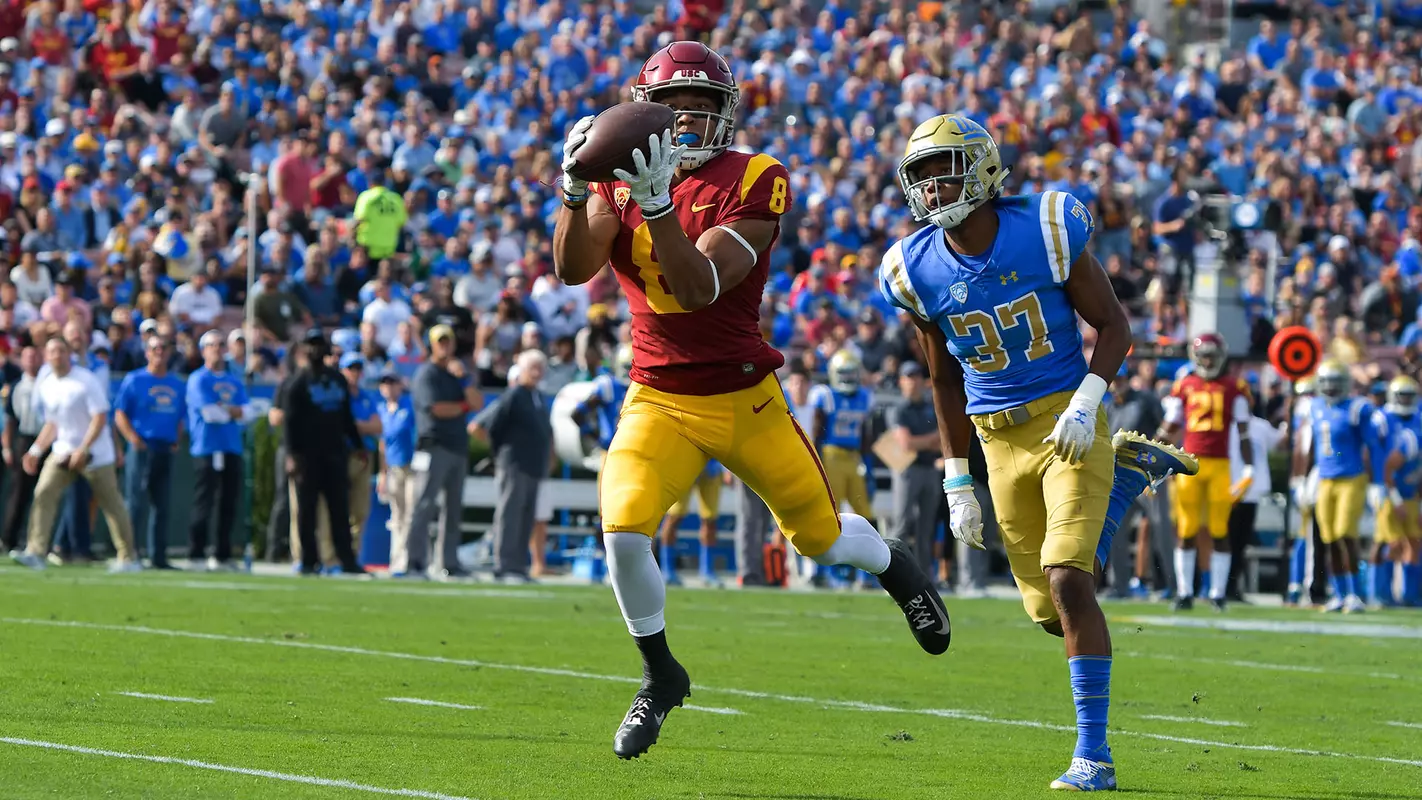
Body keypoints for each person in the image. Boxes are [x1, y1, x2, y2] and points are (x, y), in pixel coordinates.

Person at [554, 41, 951, 761]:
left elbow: (699, 284)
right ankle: (660, 674)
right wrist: (576, 193)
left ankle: (896, 566)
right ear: (643, 113)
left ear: (726, 116)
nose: (684, 126)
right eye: (670, 111)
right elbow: (573, 268)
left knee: (821, 539)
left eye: (701, 111)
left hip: (745, 397)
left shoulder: (756, 176)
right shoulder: (619, 177)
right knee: (623, 528)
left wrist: (657, 205)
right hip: (658, 397)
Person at [879, 115, 1195, 791]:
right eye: (923, 175)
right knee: (1051, 613)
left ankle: (1094, 757)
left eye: (946, 169)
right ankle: (1122, 487)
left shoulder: (1044, 227)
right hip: (996, 439)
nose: (934, 187)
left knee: (1070, 581)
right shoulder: (913, 267)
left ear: (985, 170)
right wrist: (956, 476)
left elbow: (1114, 325)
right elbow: (941, 375)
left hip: (1067, 423)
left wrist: (1086, 401)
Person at [11, 337, 140, 573]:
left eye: (61, 350)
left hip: (96, 455)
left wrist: (84, 449)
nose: (56, 355)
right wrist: (36, 450)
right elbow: (53, 423)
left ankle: (128, 558)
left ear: (69, 353)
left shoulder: (86, 381)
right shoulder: (47, 383)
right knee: (43, 493)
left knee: (111, 504)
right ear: (46, 355)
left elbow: (100, 418)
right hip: (62, 451)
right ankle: (35, 552)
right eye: (51, 351)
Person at [1156, 333, 1255, 611]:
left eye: (1212, 355)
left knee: (1219, 529)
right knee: (1186, 529)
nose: (1208, 360)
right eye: (1204, 354)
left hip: (1220, 465)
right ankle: (1185, 592)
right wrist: (1149, 455)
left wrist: (1249, 467)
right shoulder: (1184, 385)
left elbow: (1244, 432)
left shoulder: (1235, 387)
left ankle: (1218, 593)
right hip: (1190, 465)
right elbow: (1168, 427)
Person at [280, 329, 366, 576]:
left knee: (340, 509)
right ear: (304, 350)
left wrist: (358, 445)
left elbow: (347, 418)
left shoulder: (337, 380)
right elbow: (290, 423)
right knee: (307, 511)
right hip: (307, 457)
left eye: (319, 345)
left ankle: (346, 560)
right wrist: (292, 455)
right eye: (311, 345)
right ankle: (309, 560)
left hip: (335, 454)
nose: (315, 350)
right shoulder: (297, 383)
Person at [1294, 361, 1374, 613]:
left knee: (1345, 534)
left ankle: (1355, 595)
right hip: (1325, 479)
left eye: (1335, 383)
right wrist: (1302, 477)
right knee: (1328, 538)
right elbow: (1310, 447)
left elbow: (1372, 446)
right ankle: (1340, 594)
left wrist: (1378, 482)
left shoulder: (1356, 408)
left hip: (1351, 478)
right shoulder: (1314, 407)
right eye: (1326, 382)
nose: (1329, 388)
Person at [408, 324, 482, 579]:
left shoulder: (457, 374)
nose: (445, 346)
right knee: (424, 506)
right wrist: (463, 405)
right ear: (431, 344)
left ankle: (448, 562)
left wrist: (464, 380)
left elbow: (477, 402)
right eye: (440, 341)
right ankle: (414, 561)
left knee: (453, 510)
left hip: (457, 447)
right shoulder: (426, 374)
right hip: (435, 446)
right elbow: (438, 409)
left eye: (448, 341)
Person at [471, 349, 552, 582]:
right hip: (514, 464)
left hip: (533, 466)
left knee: (526, 517)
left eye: (540, 368)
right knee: (510, 514)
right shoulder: (514, 394)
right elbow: (489, 425)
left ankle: (517, 565)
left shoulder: (537, 397)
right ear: (522, 370)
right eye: (532, 368)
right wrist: (499, 453)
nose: (537, 373)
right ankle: (504, 564)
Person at [113, 334, 186, 569]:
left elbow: (180, 415)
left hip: (165, 446)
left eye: (164, 348)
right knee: (135, 503)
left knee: (162, 505)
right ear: (147, 352)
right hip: (143, 445)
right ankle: (130, 553)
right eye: (155, 348)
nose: (159, 352)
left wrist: (177, 437)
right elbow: (120, 413)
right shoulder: (135, 380)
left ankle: (158, 556)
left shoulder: (176, 383)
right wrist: (132, 438)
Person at [186, 330, 253, 570]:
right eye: (211, 344)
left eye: (220, 344)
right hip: (207, 448)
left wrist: (226, 408)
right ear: (203, 350)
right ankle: (196, 553)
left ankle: (222, 555)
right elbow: (210, 414)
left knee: (228, 504)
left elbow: (248, 413)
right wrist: (231, 410)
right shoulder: (198, 379)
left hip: (231, 447)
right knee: (204, 502)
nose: (216, 348)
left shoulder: (234, 380)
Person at [887, 361, 943, 574]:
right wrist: (931, 440)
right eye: (909, 377)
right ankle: (894, 574)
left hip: (929, 468)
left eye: (917, 376)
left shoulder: (930, 406)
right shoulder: (899, 409)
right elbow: (906, 444)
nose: (913, 381)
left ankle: (924, 576)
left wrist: (925, 441)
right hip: (907, 470)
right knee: (901, 524)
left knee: (926, 528)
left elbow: (941, 440)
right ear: (901, 381)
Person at [1368, 376, 1420, 606]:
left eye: (1410, 395)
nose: (1406, 400)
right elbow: (1377, 459)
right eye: (1403, 395)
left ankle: (1410, 595)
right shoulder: (1382, 419)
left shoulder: (1418, 419)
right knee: (1389, 542)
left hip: (1409, 491)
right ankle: (1379, 593)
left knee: (1414, 541)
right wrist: (1380, 487)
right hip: (1386, 488)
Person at [810, 350, 875, 521]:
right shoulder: (826, 395)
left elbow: (865, 437)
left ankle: (869, 547)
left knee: (865, 512)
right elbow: (817, 433)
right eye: (843, 373)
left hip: (854, 458)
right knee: (833, 511)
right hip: (832, 456)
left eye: (851, 373)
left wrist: (868, 467)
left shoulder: (864, 397)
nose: (847, 377)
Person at [377, 369, 419, 577]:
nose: (389, 387)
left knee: (410, 513)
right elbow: (382, 445)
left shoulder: (409, 406)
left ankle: (407, 559)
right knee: (397, 515)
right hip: (393, 468)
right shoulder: (381, 410)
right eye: (385, 383)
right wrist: (382, 474)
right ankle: (396, 559)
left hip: (411, 466)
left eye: (392, 383)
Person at [2, 345, 44, 556]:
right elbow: (10, 420)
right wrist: (7, 447)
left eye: (35, 355)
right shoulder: (16, 386)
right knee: (18, 493)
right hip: (24, 438)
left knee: (44, 492)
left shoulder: (49, 384)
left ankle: (37, 542)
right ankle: (9, 539)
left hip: (46, 439)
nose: (32, 360)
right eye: (28, 356)